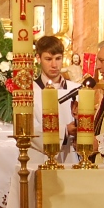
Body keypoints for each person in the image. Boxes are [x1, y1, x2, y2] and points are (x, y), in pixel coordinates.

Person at [34, 34, 76, 164]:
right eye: (48, 59)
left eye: (58, 58)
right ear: (38, 58)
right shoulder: (29, 92)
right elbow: (30, 132)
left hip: (71, 157)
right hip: (40, 158)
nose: (54, 65)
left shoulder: (77, 89)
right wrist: (64, 130)